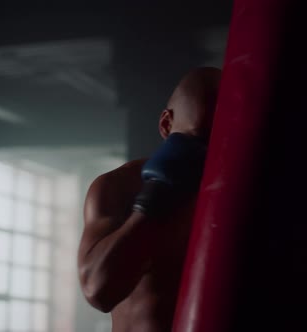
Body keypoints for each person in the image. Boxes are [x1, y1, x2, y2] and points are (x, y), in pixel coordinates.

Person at [77, 67, 222, 332]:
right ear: (167, 125)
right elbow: (98, 291)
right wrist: (155, 201)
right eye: (200, 138)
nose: (208, 154)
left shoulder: (243, 193)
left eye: (221, 140)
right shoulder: (120, 187)